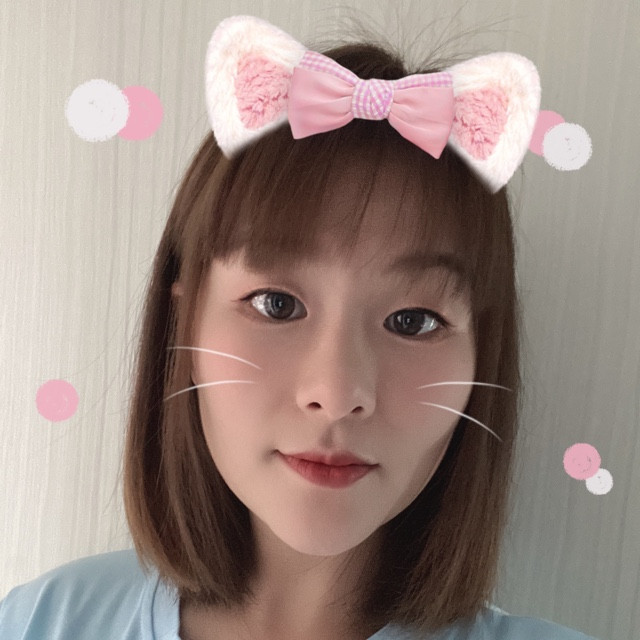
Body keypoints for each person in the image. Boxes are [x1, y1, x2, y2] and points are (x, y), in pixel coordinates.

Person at [0, 15, 600, 640]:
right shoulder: (40, 621)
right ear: (184, 323)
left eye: (413, 321)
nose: (336, 393)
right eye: (276, 305)